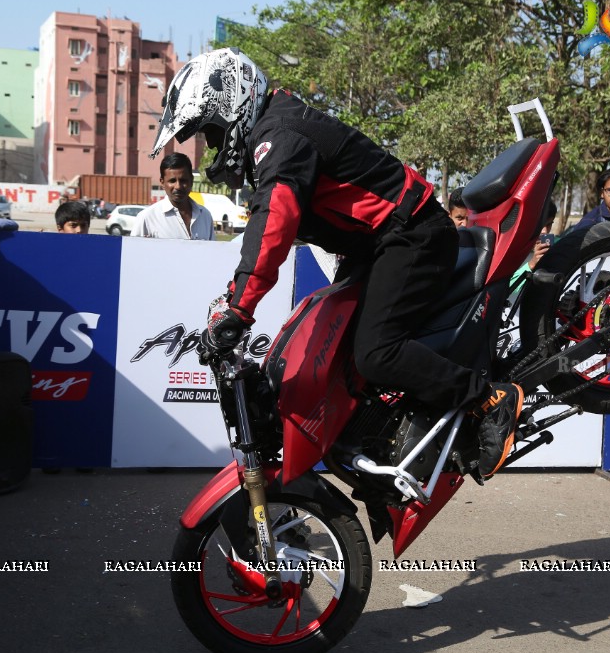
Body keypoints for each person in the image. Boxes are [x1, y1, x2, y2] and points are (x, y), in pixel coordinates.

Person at [149, 48, 521, 480]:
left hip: (413, 234)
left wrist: (238, 307)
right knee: (332, 351)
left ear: (233, 103)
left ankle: (489, 400)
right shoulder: (275, 128)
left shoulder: (281, 136)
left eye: (210, 129)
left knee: (376, 354)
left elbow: (274, 223)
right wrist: (232, 300)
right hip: (379, 244)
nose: (212, 143)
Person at [131, 153, 214, 240]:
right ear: (162, 182)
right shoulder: (147, 218)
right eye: (172, 181)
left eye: (183, 181)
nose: (178, 186)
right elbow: (134, 251)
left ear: (191, 181)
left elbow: (213, 252)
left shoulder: (205, 216)